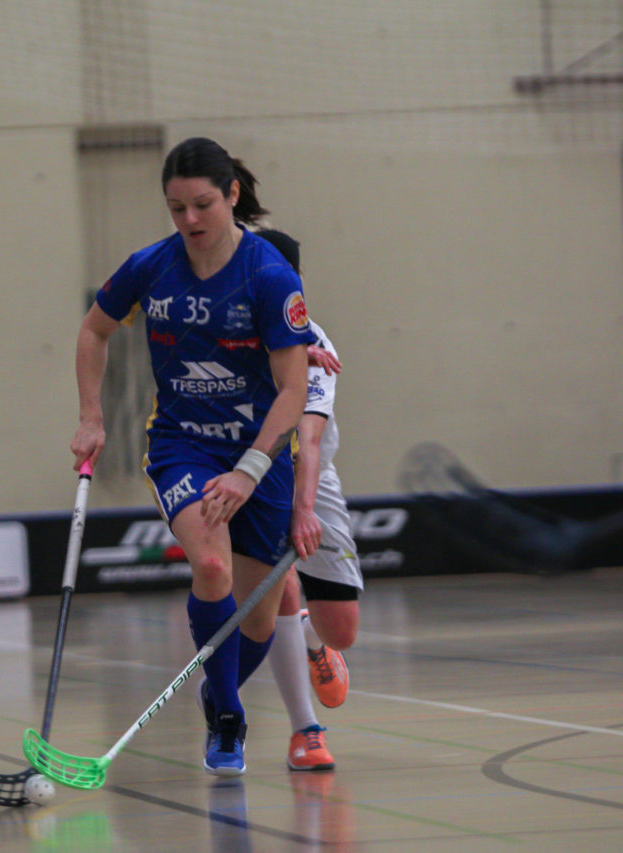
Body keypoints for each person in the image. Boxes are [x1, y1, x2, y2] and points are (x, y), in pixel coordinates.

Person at [70, 137, 317, 775]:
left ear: (232, 195)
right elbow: (95, 329)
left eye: (202, 205)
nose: (189, 222)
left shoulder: (268, 276)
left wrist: (252, 468)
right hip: (183, 445)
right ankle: (228, 714)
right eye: (176, 208)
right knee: (211, 566)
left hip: (258, 453)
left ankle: (219, 688)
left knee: (258, 621)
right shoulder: (150, 266)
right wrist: (91, 416)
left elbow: (294, 391)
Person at [254, 229, 362, 772]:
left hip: (309, 475)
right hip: (247, 469)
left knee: (341, 625)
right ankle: (306, 731)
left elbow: (310, 442)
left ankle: (320, 647)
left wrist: (302, 511)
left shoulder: (315, 341)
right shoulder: (228, 329)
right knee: (279, 581)